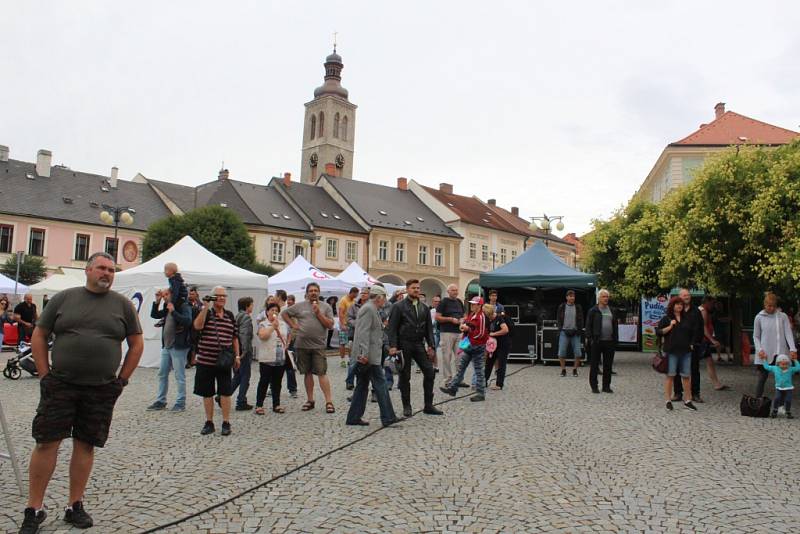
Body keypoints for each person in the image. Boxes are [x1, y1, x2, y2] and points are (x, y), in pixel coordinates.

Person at [19, 252, 143, 533]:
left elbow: (136, 344)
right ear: (87, 271)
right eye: (101, 268)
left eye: (111, 270)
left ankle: (75, 505)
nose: (107, 273)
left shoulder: (122, 305)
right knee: (47, 442)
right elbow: (39, 335)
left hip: (100, 388)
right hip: (61, 384)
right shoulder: (64, 298)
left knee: (85, 444)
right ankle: (34, 508)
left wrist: (121, 381)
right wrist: (44, 373)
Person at [346, 285, 403, 427]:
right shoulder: (368, 309)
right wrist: (363, 354)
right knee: (381, 385)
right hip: (369, 356)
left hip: (370, 355)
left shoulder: (372, 309)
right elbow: (362, 333)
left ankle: (353, 417)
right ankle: (388, 417)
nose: (385, 301)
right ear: (379, 297)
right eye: (384, 298)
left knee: (362, 385)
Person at [388, 279, 443, 417]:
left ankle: (428, 405)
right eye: (413, 288)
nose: (416, 290)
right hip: (404, 344)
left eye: (418, 288)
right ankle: (407, 406)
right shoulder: (398, 306)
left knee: (430, 372)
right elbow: (392, 328)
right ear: (407, 289)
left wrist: (431, 345)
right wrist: (393, 346)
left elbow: (429, 329)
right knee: (405, 376)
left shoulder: (424, 307)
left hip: (418, 344)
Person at [192, 286, 241, 436]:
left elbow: (234, 337)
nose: (221, 298)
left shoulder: (230, 316)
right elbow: (197, 326)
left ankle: (226, 422)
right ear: (212, 298)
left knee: (225, 392)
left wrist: (237, 356)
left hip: (224, 362)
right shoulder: (206, 313)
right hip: (206, 361)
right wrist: (205, 307)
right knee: (207, 393)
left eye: (224, 296)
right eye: (218, 296)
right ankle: (209, 422)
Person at [282, 282, 336, 413]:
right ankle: (310, 400)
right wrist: (293, 325)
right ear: (307, 293)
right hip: (302, 345)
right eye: (311, 290)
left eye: (315, 290)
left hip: (318, 345)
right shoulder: (299, 306)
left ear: (319, 292)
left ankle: (329, 402)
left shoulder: (326, 307)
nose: (313, 292)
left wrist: (318, 314)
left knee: (322, 373)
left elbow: (330, 325)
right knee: (307, 373)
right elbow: (284, 313)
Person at [146, 287, 193, 412]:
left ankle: (180, 402)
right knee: (162, 373)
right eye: (164, 295)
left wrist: (173, 312)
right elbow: (154, 315)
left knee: (179, 375)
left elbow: (188, 321)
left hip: (178, 346)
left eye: (166, 294)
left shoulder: (183, 305)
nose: (164, 297)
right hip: (167, 346)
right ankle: (161, 401)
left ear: (173, 294)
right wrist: (157, 302)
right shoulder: (168, 306)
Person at [441, 298, 490, 401]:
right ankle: (453, 388)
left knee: (478, 370)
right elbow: (470, 326)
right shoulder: (472, 314)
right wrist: (464, 326)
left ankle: (481, 393)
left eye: (474, 304)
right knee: (461, 367)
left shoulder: (481, 316)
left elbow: (480, 333)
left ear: (479, 305)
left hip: (477, 346)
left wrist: (468, 330)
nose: (472, 305)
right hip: (471, 345)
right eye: (471, 304)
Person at [753, 292, 797, 398]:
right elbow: (756, 336)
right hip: (765, 353)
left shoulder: (782, 316)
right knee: (761, 378)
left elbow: (788, 333)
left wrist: (792, 348)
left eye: (774, 306)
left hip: (781, 352)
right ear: (765, 305)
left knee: (783, 380)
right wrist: (759, 350)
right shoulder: (759, 317)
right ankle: (757, 402)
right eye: (769, 306)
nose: (772, 308)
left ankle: (782, 405)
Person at [656, 296, 697, 411]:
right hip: (672, 351)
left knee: (686, 376)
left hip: (685, 351)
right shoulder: (666, 318)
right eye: (677, 304)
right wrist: (670, 326)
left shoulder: (687, 318)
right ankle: (668, 400)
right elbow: (659, 332)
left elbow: (693, 332)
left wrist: (692, 343)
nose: (679, 306)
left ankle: (688, 400)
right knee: (670, 375)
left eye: (681, 304)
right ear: (672, 306)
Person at [672, 288, 705, 403]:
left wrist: (694, 342)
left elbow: (699, 328)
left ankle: (695, 393)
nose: (687, 297)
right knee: (676, 369)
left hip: (692, 345)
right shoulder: (675, 311)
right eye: (684, 295)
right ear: (679, 296)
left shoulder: (696, 311)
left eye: (688, 295)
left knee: (694, 370)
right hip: (677, 345)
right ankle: (677, 393)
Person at [255, 302, 287, 414]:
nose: (274, 312)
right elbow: (263, 336)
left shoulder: (282, 324)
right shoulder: (263, 324)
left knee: (277, 383)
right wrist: (273, 326)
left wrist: (286, 344)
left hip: (280, 358)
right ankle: (259, 405)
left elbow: (287, 336)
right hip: (267, 358)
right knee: (264, 382)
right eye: (272, 310)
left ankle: (276, 404)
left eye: (276, 310)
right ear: (267, 312)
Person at [586, 289, 618, 394]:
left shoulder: (612, 310)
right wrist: (591, 339)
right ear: (599, 298)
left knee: (608, 365)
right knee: (594, 365)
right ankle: (594, 386)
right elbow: (588, 326)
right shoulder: (593, 310)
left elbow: (615, 325)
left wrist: (615, 339)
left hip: (609, 341)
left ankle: (606, 386)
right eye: (604, 297)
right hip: (597, 341)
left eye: (607, 297)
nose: (606, 299)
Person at [435, 284, 465, 388]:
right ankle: (448, 380)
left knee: (460, 357)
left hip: (459, 332)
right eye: (453, 290)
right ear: (448, 291)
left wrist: (462, 320)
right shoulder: (443, 302)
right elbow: (437, 317)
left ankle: (459, 379)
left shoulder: (459, 302)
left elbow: (463, 315)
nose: (455, 292)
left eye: (456, 290)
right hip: (447, 332)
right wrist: (450, 319)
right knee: (446, 356)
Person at [231, 297, 255, 411]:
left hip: (237, 350)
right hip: (242, 351)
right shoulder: (246, 317)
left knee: (238, 376)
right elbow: (244, 335)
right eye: (251, 304)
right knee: (245, 376)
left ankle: (223, 396)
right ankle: (241, 401)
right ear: (247, 306)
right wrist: (245, 352)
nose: (252, 307)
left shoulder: (237, 316)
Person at [345, 287, 370, 390]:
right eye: (362, 293)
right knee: (353, 360)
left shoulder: (371, 306)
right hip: (354, 335)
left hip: (367, 336)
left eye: (366, 293)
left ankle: (363, 382)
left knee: (365, 360)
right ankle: (349, 381)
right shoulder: (353, 306)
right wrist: (358, 324)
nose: (363, 294)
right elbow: (349, 318)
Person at [274, 290, 298, 398]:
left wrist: (289, 341)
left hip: (287, 341)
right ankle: (273, 388)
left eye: (275, 295)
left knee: (289, 366)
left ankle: (292, 389)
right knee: (274, 365)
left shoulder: (288, 310)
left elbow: (293, 326)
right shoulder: (275, 309)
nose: (274, 297)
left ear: (279, 296)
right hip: (276, 340)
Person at [557, 290, 584, 377]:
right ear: (566, 297)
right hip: (564, 332)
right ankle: (563, 369)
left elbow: (581, 319)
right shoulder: (562, 306)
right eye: (570, 296)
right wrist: (560, 328)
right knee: (561, 352)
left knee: (578, 353)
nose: (572, 298)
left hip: (575, 332)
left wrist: (580, 329)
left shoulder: (578, 307)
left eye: (573, 296)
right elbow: (558, 318)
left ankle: (575, 369)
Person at [486, 307, 512, 390]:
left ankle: (499, 384)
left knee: (501, 364)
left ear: (489, 314)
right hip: (494, 345)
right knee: (489, 362)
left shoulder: (499, 319)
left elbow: (505, 330)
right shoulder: (489, 320)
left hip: (503, 345)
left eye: (486, 315)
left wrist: (494, 334)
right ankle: (484, 381)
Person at [338, 287, 359, 368]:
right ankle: (342, 361)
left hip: (352, 326)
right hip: (344, 325)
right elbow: (341, 313)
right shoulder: (344, 300)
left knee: (351, 344)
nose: (357, 296)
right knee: (343, 343)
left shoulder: (354, 301)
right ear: (352, 293)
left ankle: (351, 360)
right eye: (356, 294)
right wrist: (342, 324)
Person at [186, 286, 201, 368]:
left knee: (195, 345)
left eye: (192, 294)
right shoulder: (186, 304)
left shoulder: (200, 304)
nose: (190, 295)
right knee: (189, 344)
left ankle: (193, 360)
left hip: (197, 328)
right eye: (190, 294)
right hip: (188, 327)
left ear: (196, 295)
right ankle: (188, 361)